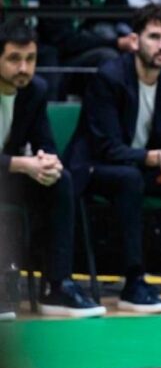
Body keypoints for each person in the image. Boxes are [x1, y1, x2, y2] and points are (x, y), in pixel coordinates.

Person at [65, 4, 161, 314]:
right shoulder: (109, 76)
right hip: (98, 168)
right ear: (136, 40)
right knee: (129, 179)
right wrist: (155, 157)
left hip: (145, 166)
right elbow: (106, 148)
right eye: (154, 37)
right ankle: (134, 281)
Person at [0, 19, 105, 318]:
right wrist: (23, 164)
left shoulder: (35, 90)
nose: (24, 68)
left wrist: (48, 163)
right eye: (14, 59)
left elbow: (45, 143)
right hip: (9, 169)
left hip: (7, 175)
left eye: (30, 59)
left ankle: (57, 286)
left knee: (59, 181)